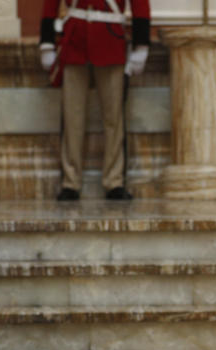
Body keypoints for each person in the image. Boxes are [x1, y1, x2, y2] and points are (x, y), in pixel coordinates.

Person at [39, 0, 150, 201]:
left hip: (110, 38)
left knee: (113, 117)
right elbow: (50, 3)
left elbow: (140, 3)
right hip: (74, 40)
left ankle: (114, 181)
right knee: (72, 117)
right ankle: (70, 182)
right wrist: (46, 42)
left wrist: (141, 44)